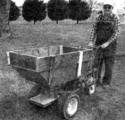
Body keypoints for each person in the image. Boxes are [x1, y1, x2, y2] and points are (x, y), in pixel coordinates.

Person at [88, 2, 120, 88]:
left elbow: (116, 32)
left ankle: (106, 82)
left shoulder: (115, 18)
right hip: (98, 43)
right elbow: (94, 29)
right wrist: (91, 41)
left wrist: (107, 43)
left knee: (108, 65)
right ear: (103, 8)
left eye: (109, 7)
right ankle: (96, 80)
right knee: (97, 63)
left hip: (110, 45)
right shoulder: (99, 17)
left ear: (112, 8)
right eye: (105, 7)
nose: (107, 9)